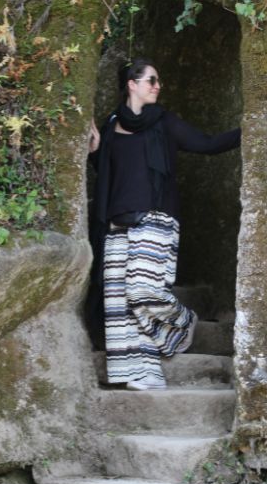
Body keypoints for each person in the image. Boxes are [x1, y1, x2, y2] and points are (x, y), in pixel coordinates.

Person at [87, 57, 240, 391]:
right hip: (117, 221)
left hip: (156, 218)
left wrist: (250, 129)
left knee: (144, 292)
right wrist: (97, 151)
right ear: (132, 84)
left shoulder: (164, 122)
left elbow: (208, 144)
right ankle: (140, 373)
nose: (158, 86)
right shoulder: (111, 125)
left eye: (157, 80)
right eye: (151, 80)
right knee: (119, 303)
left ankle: (183, 323)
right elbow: (112, 174)